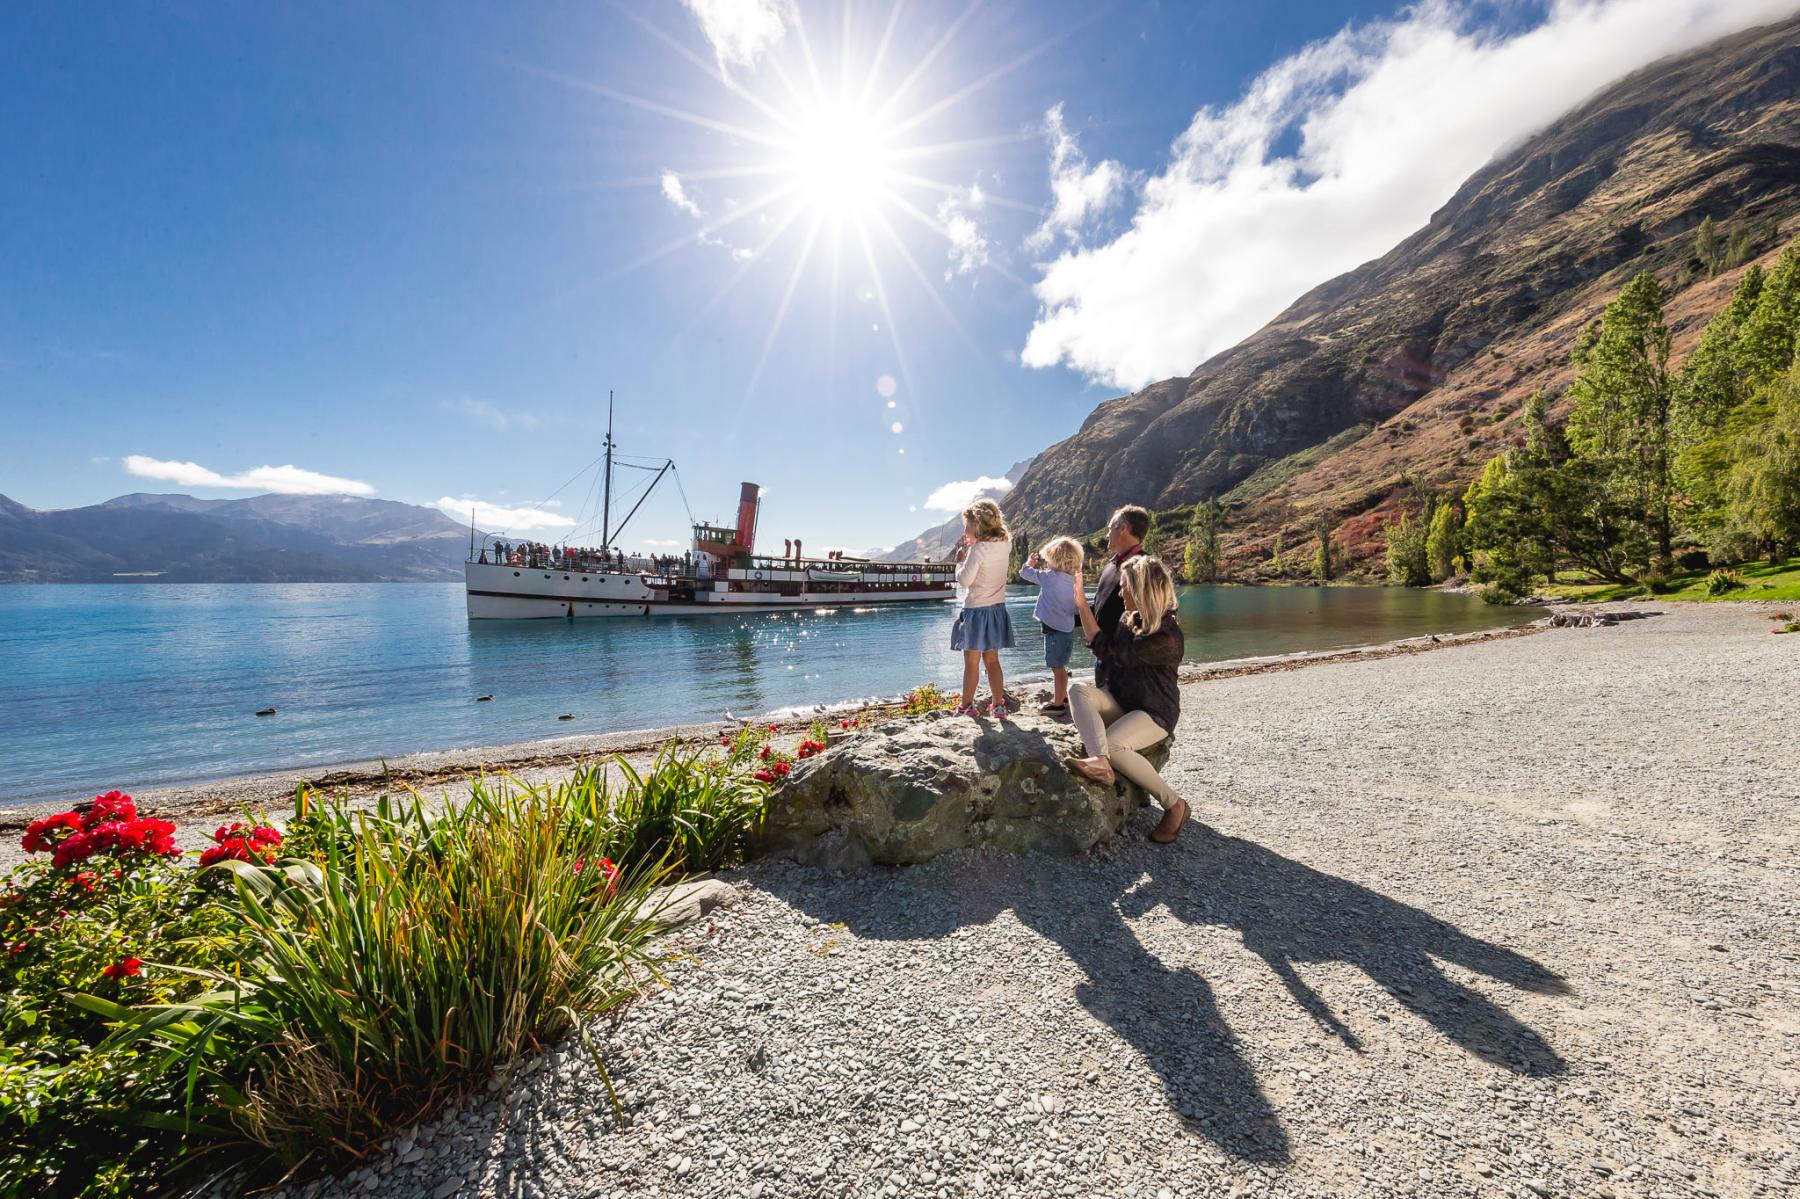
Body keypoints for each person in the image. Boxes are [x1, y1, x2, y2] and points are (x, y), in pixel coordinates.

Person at [1068, 555, 1188, 843]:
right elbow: (1107, 652)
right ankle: (1101, 762)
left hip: (1153, 711)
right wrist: (1081, 605)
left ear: (1141, 588)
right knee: (1077, 690)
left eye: (1124, 587)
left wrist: (1084, 607)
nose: (1120, 593)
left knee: (1115, 744)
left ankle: (1175, 804)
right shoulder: (1128, 619)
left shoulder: (1166, 637)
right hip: (1122, 701)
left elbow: (1108, 652)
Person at [950, 498, 1014, 718]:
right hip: (996, 609)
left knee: (971, 663)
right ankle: (998, 705)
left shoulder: (977, 550)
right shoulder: (1006, 544)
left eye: (966, 526)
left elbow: (965, 580)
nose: (965, 531)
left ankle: (967, 705)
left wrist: (960, 562)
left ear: (976, 525)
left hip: (976, 611)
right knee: (993, 661)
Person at [1018, 536, 1085, 713]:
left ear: (1055, 561)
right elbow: (1079, 607)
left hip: (1054, 630)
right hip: (1068, 629)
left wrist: (1029, 563)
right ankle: (1062, 697)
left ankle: (1057, 703)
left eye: (1047, 560)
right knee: (1061, 666)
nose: (1046, 563)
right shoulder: (1074, 580)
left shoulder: (1049, 577)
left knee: (1056, 667)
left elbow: (1025, 573)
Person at [1090, 505, 1149, 692]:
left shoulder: (1145, 567)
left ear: (1123, 528)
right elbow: (1101, 608)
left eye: (1110, 528)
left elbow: (1150, 616)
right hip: (1103, 655)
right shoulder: (1110, 566)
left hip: (1127, 662)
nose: (1107, 534)